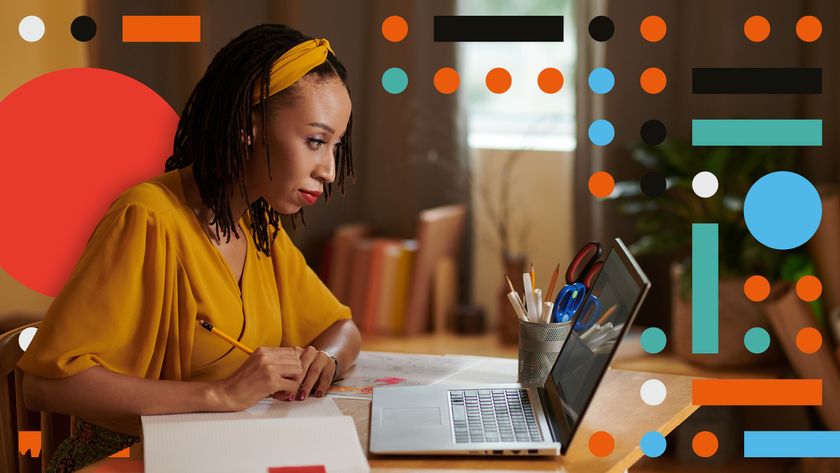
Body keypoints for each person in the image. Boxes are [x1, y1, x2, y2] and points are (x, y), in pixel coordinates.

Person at [18, 24, 361, 472]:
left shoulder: (259, 228)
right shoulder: (146, 218)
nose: (329, 171)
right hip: (127, 461)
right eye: (315, 141)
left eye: (335, 146)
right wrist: (220, 394)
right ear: (247, 127)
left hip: (217, 456)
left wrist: (326, 360)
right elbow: (44, 386)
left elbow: (341, 327)